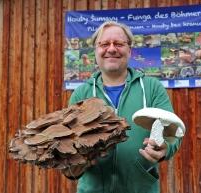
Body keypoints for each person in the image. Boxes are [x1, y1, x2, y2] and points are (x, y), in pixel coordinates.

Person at [69, 21, 182, 193]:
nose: (112, 49)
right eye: (104, 44)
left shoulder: (152, 88)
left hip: (140, 188)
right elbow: (69, 144)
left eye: (119, 43)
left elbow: (174, 133)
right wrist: (71, 165)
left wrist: (165, 147)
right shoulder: (81, 94)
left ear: (129, 50)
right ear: (95, 51)